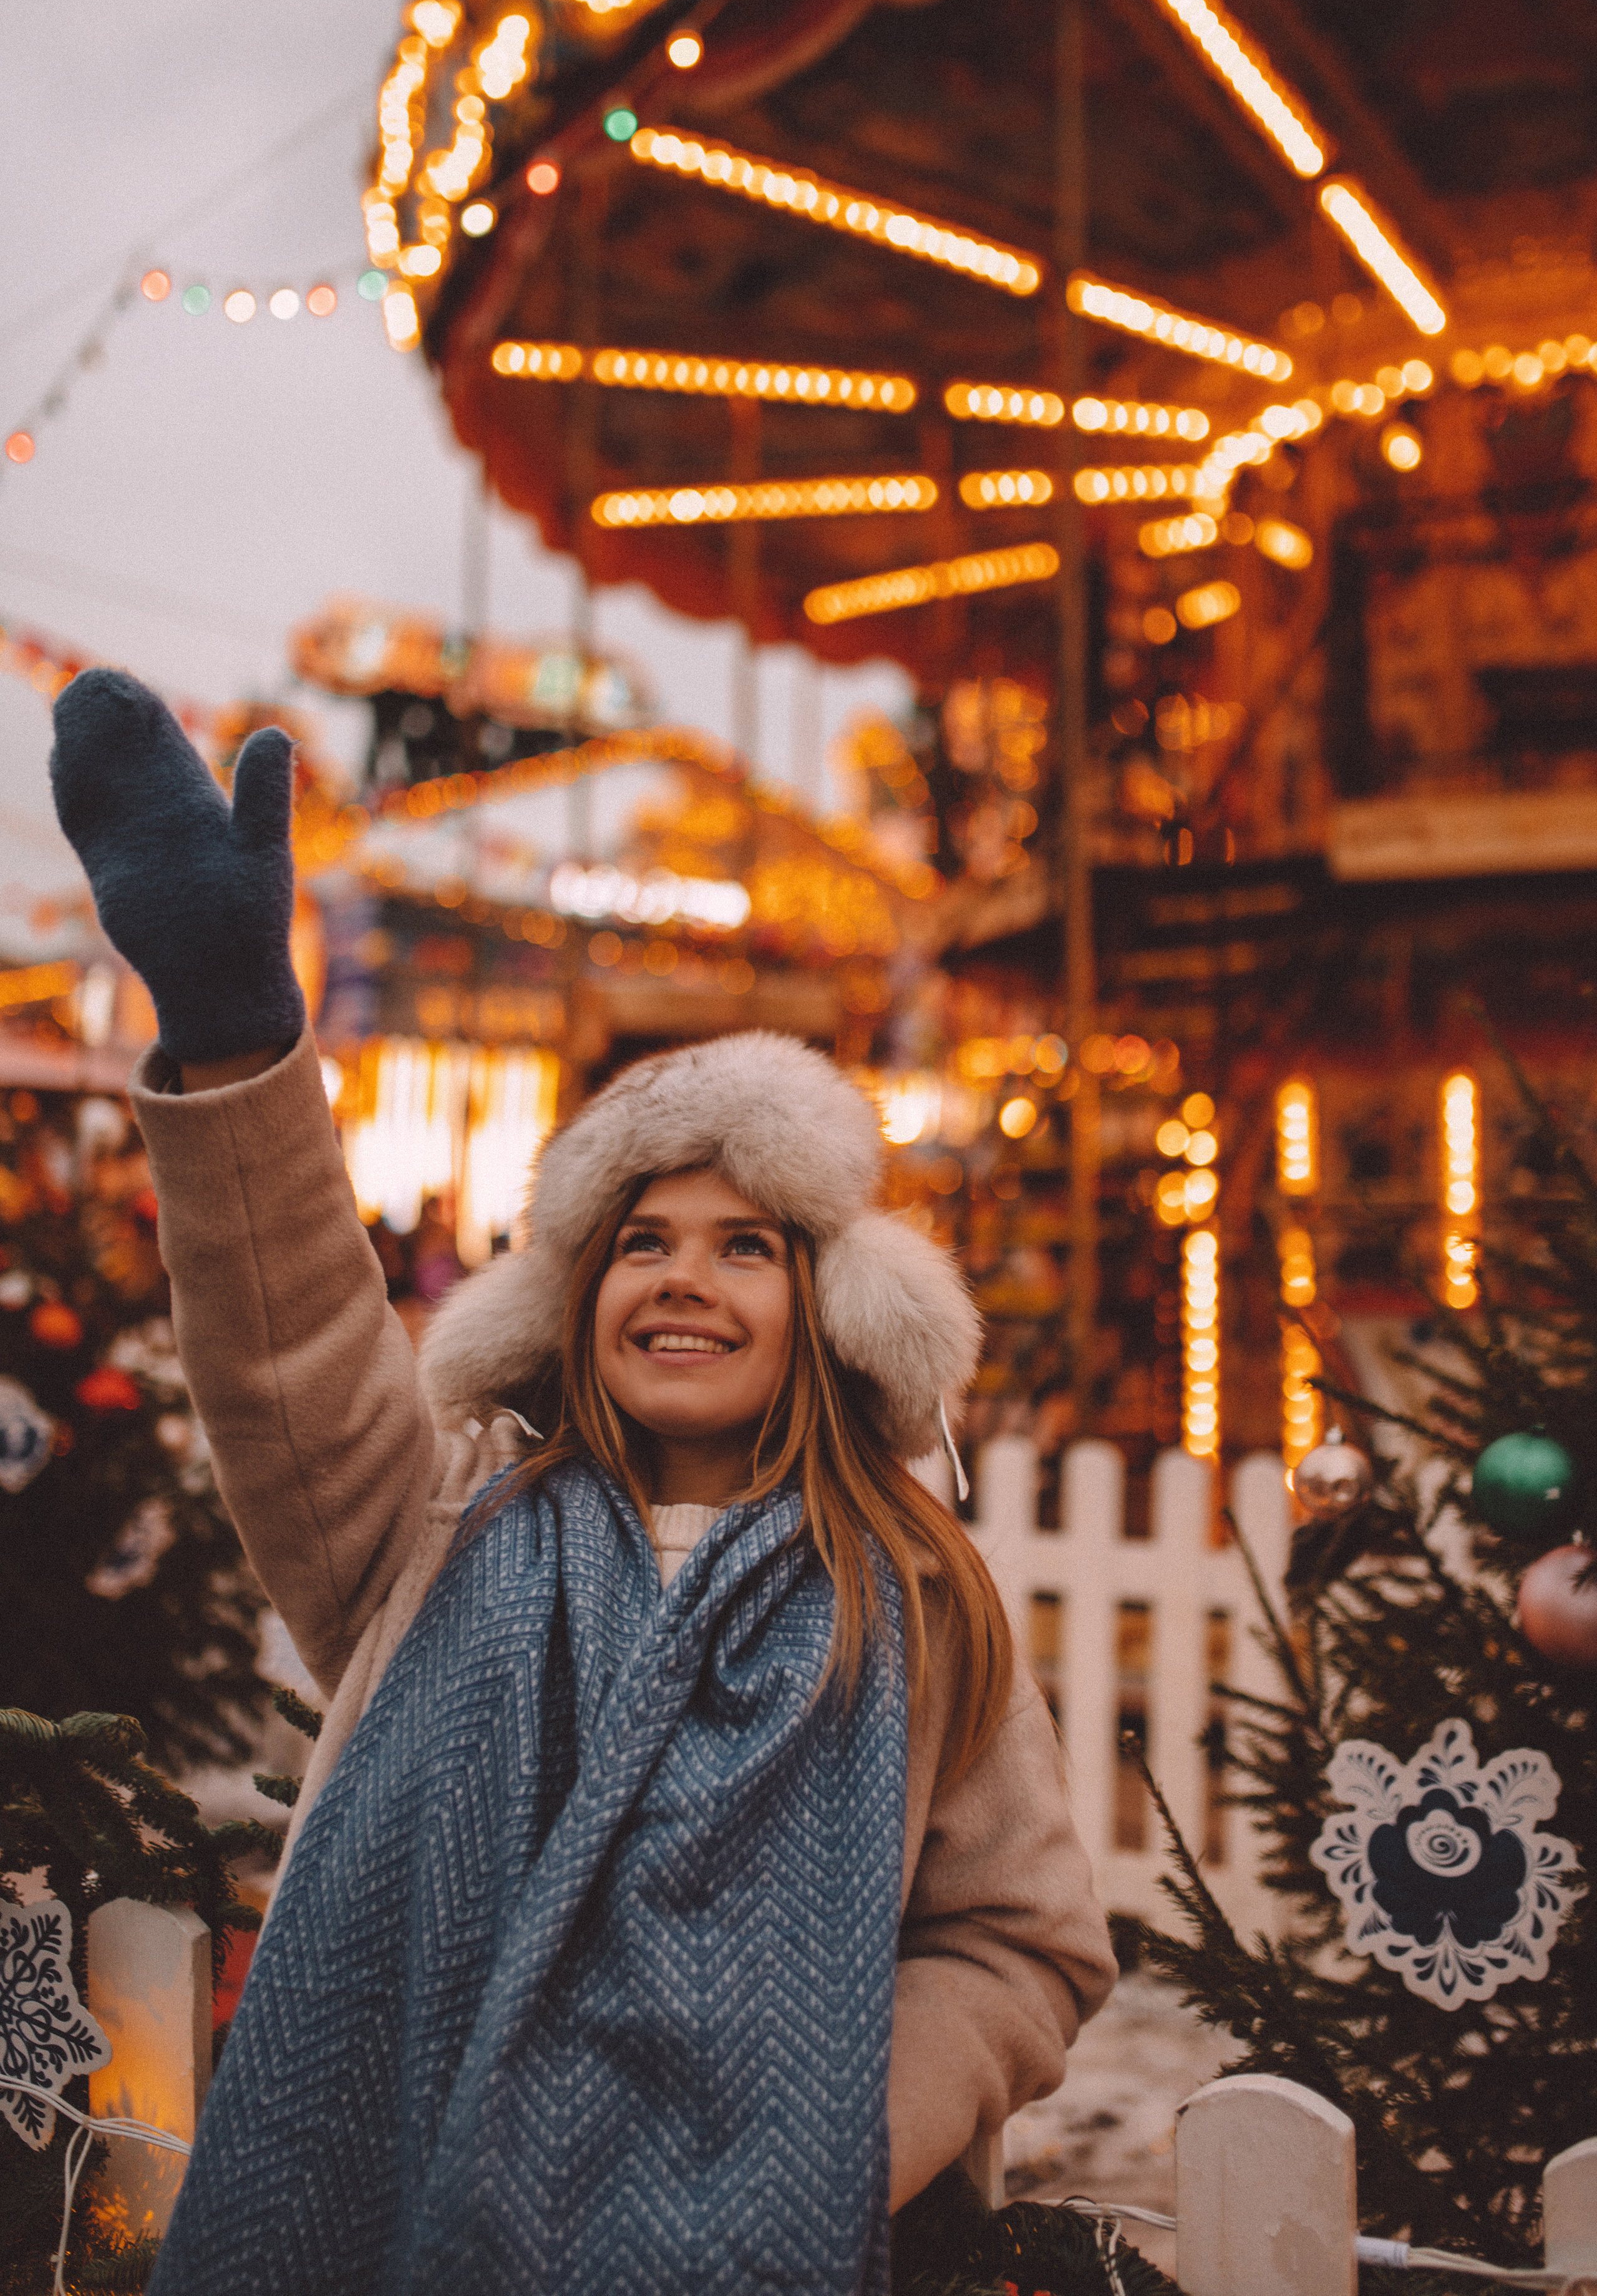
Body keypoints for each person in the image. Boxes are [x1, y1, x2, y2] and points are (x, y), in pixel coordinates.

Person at [50, 672, 1116, 2296]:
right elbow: (292, 1365)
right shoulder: (438, 1532)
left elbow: (1021, 1937)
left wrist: (835, 2143)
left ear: (827, 1305)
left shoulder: (909, 1593)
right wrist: (240, 1044)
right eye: (642, 1243)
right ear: (575, 1292)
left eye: (745, 1246)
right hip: (412, 2207)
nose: (685, 1281)